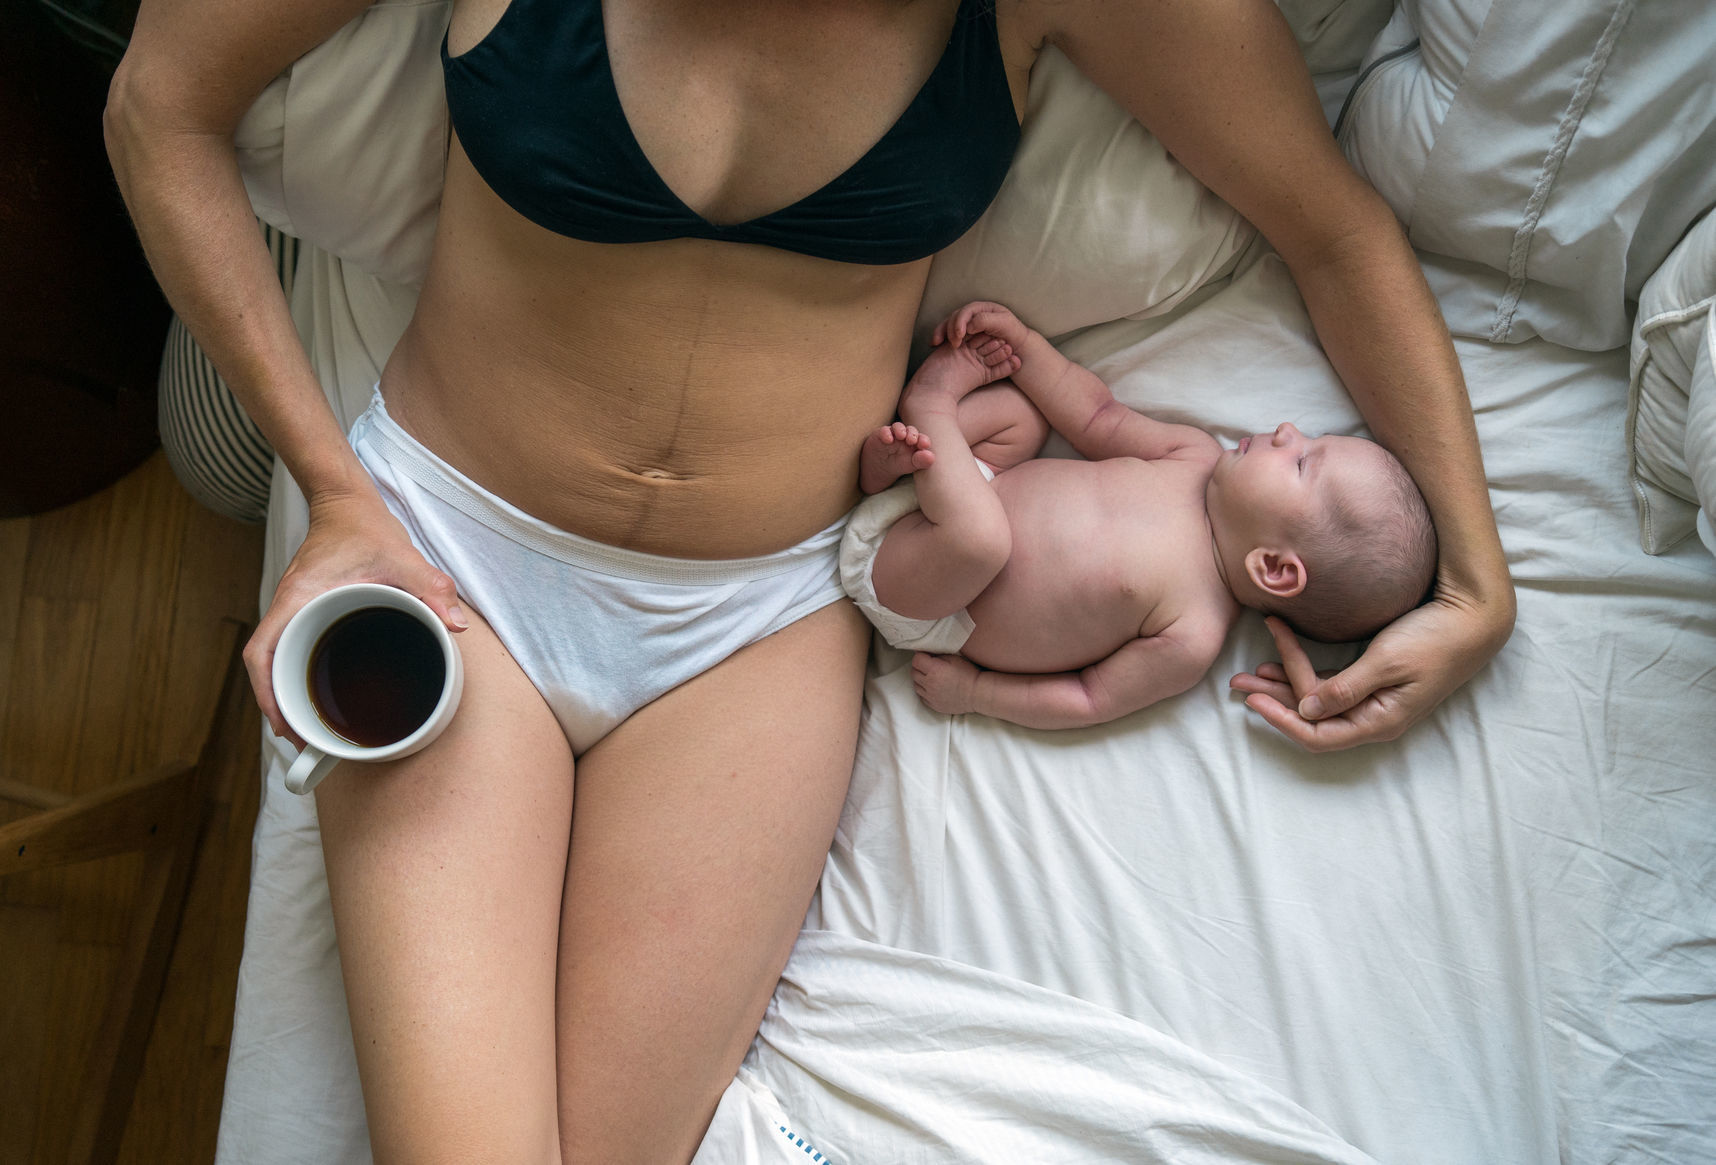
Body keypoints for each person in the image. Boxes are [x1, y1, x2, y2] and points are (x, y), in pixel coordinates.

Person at [102, 0, 1515, 1158]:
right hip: (452, 557)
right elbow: (161, 105)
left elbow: (1332, 228)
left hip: (756, 625)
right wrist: (335, 495)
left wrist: (1475, 585)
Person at [843, 300, 1437, 728]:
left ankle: (929, 405)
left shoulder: (1192, 633)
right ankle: (894, 469)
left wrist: (978, 693)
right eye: (1308, 436)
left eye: (1302, 462)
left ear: (1276, 569)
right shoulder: (1196, 457)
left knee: (981, 541)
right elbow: (1097, 417)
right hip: (965, 484)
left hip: (923, 590)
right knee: (1025, 421)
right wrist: (1025, 348)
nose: (1287, 430)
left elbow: (1088, 696)